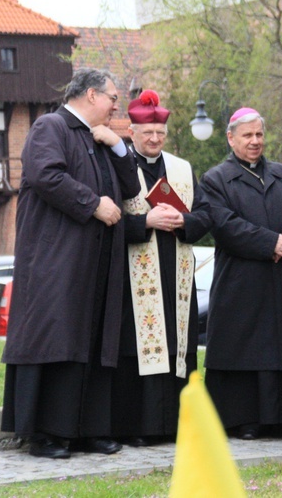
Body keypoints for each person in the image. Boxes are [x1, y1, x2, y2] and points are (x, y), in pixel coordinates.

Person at [1, 68, 141, 459]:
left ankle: (89, 429)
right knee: (57, 340)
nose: (117, 105)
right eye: (113, 98)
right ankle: (47, 434)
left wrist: (117, 146)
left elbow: (131, 189)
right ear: (92, 94)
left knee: (95, 342)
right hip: (57, 260)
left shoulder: (100, 138)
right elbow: (45, 175)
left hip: (98, 263)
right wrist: (93, 203)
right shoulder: (51, 126)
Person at [200, 107, 282, 441]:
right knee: (248, 348)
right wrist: (271, 242)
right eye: (247, 136)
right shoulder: (216, 179)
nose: (255, 141)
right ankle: (246, 420)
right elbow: (224, 224)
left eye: (259, 134)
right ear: (231, 138)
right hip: (243, 281)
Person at [111, 90, 212, 446]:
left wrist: (183, 221)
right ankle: (138, 428)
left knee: (178, 349)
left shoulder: (182, 168)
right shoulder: (117, 166)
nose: (154, 139)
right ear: (132, 132)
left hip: (177, 277)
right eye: (147, 133)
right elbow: (108, 224)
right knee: (137, 353)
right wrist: (146, 222)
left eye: (160, 133)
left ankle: (179, 426)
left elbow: (204, 218)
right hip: (134, 281)